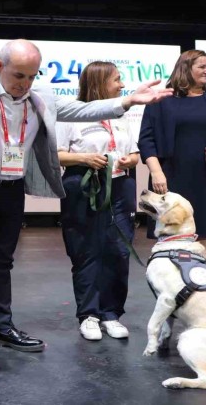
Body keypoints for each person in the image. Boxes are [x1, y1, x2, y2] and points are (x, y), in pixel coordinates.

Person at [0, 34, 172, 367]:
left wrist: (128, 101)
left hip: (11, 189)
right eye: (18, 75)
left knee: (3, 261)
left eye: (31, 76)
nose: (25, 83)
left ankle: (2, 327)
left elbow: (82, 109)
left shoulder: (40, 96)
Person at [56, 61, 139, 341]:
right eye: (117, 80)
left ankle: (111, 314)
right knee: (86, 251)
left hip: (120, 186)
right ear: (99, 83)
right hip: (84, 185)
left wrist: (130, 160)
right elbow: (55, 154)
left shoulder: (120, 114)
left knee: (119, 251)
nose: (122, 85)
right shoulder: (71, 114)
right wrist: (84, 158)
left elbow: (134, 153)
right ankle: (89, 314)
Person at [138, 49, 206, 264]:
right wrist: (156, 172)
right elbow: (146, 140)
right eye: (202, 67)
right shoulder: (162, 100)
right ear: (185, 68)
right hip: (170, 178)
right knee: (170, 237)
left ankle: (202, 280)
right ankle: (174, 282)